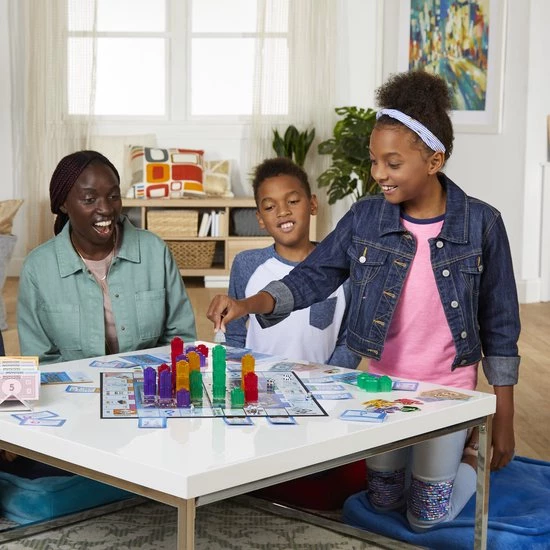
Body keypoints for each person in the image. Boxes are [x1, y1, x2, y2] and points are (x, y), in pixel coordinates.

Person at [207, 70, 520, 530]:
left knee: (423, 517)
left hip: (447, 389)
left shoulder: (483, 224)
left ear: (434, 160)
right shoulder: (367, 217)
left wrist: (502, 416)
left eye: (392, 163)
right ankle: (430, 464)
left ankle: (467, 458)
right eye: (374, 161)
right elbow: (314, 276)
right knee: (383, 500)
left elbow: (500, 325)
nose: (378, 174)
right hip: (380, 387)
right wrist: (247, 304)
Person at [17, 150, 196, 365]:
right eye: (90, 199)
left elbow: (181, 338)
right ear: (64, 204)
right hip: (72, 384)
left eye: (113, 196)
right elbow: (40, 359)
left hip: (152, 380)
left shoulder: (155, 251)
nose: (106, 209)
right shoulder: (37, 268)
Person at [226, 157, 360, 369]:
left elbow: (350, 340)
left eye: (293, 201)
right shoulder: (246, 264)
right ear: (260, 219)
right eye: (270, 206)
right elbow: (234, 335)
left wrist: (327, 377)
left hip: (320, 385)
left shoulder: (341, 268)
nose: (283, 211)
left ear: (312, 204)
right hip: (260, 382)